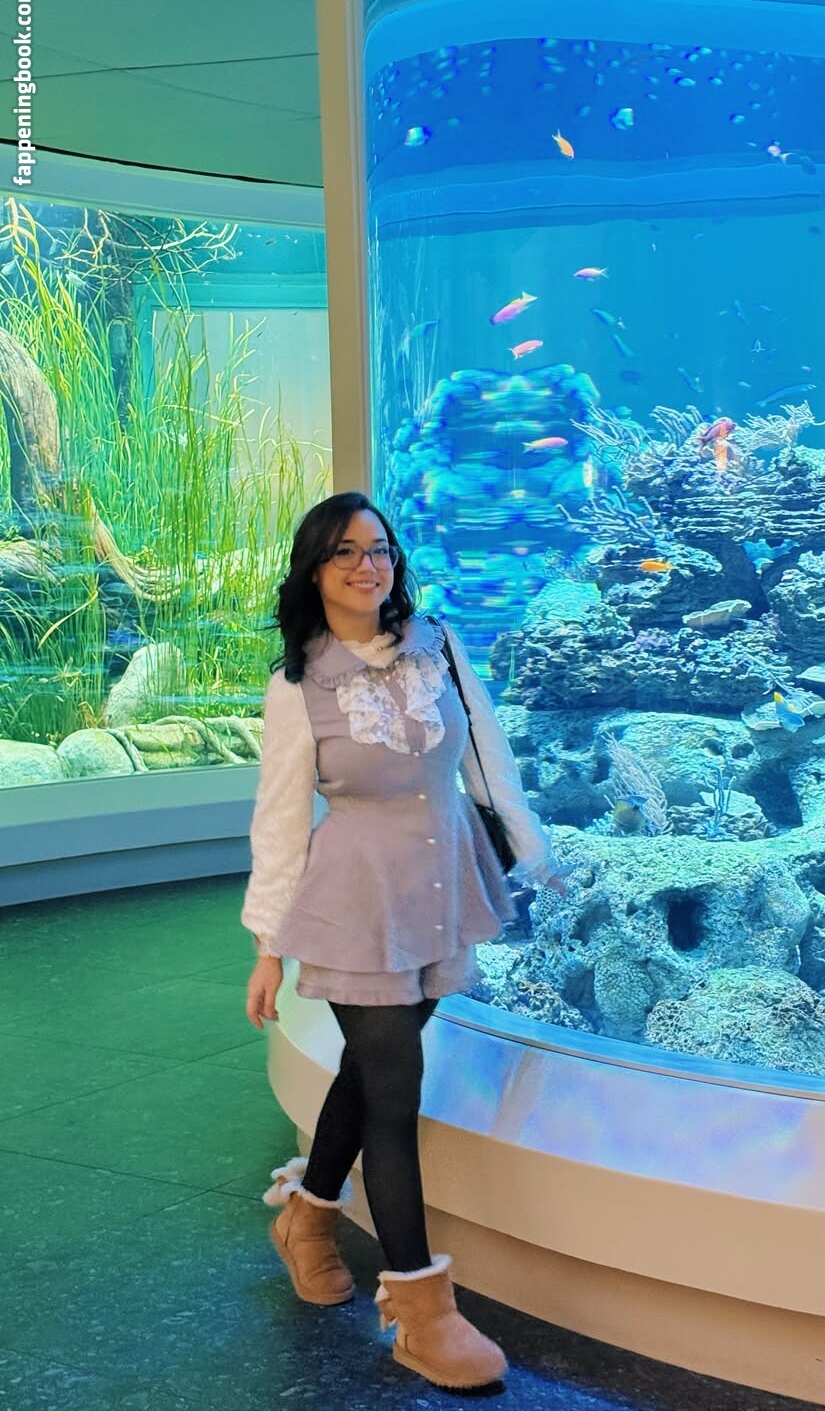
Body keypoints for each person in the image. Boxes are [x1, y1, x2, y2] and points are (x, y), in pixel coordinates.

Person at [242, 490, 566, 1390]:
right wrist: (268, 945)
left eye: (379, 548)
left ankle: (307, 1217)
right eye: (345, 552)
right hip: (359, 900)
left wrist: (534, 853)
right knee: (393, 1092)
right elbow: (279, 821)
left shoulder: (441, 646)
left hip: (444, 880)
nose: (367, 565)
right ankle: (424, 1314)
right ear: (314, 571)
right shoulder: (296, 684)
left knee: (368, 1070)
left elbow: (488, 764)